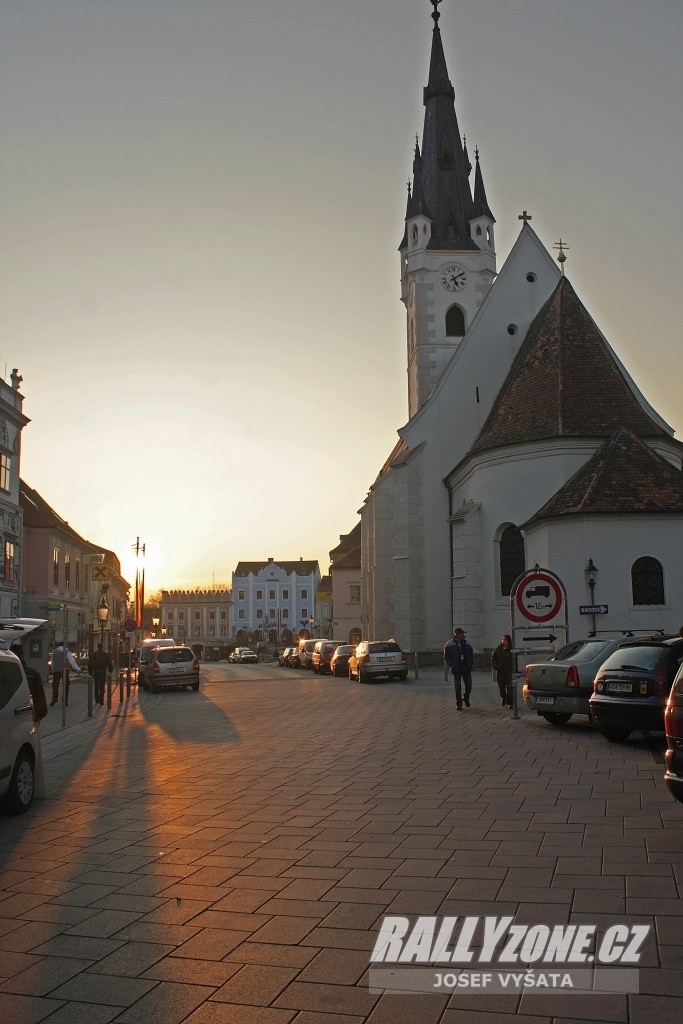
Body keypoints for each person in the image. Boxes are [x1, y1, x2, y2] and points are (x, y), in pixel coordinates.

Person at [10, 643, 48, 721]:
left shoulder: (4, 672)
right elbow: (39, 696)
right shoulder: (32, 673)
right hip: (27, 713)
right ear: (23, 655)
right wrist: (39, 715)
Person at [444, 628, 474, 710]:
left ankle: (465, 697)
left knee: (469, 685)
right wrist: (452, 665)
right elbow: (446, 656)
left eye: (463, 634)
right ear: (456, 635)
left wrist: (471, 663)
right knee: (458, 687)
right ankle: (459, 703)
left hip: (466, 667)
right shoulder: (449, 644)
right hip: (456, 668)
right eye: (461, 634)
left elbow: (471, 653)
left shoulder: (467, 643)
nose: (463, 635)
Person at [50, 641, 81, 706]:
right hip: (65, 671)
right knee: (66, 685)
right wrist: (77, 669)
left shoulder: (54, 652)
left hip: (56, 671)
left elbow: (52, 662)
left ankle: (54, 699)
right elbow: (72, 661)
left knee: (55, 685)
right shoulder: (67, 651)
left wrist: (52, 670)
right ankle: (64, 701)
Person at [491, 634, 514, 708]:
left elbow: (515, 660)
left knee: (510, 689)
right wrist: (496, 667)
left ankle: (510, 702)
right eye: (502, 639)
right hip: (500, 673)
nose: (503, 641)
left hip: (509, 672)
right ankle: (504, 698)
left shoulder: (511, 649)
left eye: (505, 639)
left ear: (508, 641)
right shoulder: (498, 649)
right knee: (501, 689)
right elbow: (493, 659)